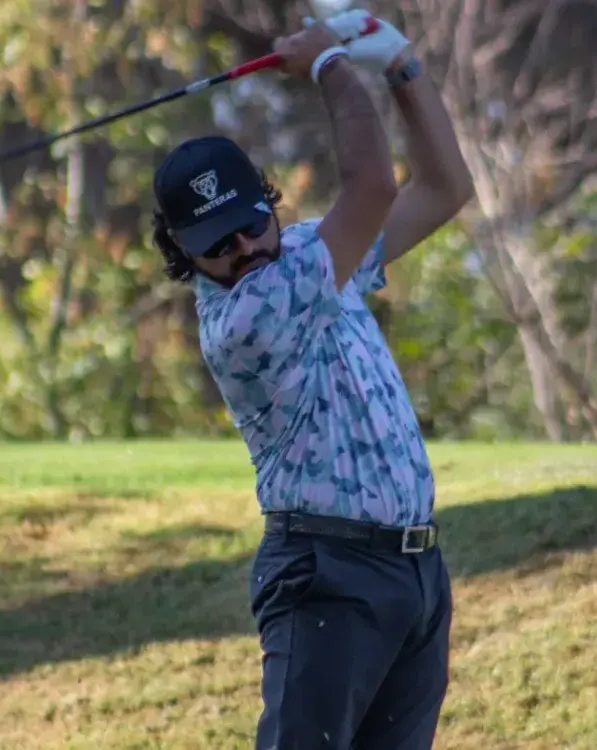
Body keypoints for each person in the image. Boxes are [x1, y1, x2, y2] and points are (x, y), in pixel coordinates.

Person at [149, 11, 474, 750]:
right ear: (184, 254)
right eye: (217, 244)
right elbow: (373, 186)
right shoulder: (245, 318)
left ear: (268, 201)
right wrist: (329, 65)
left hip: (415, 571)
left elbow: (444, 187)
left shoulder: (308, 253)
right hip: (329, 576)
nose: (243, 248)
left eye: (249, 223)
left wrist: (402, 67)